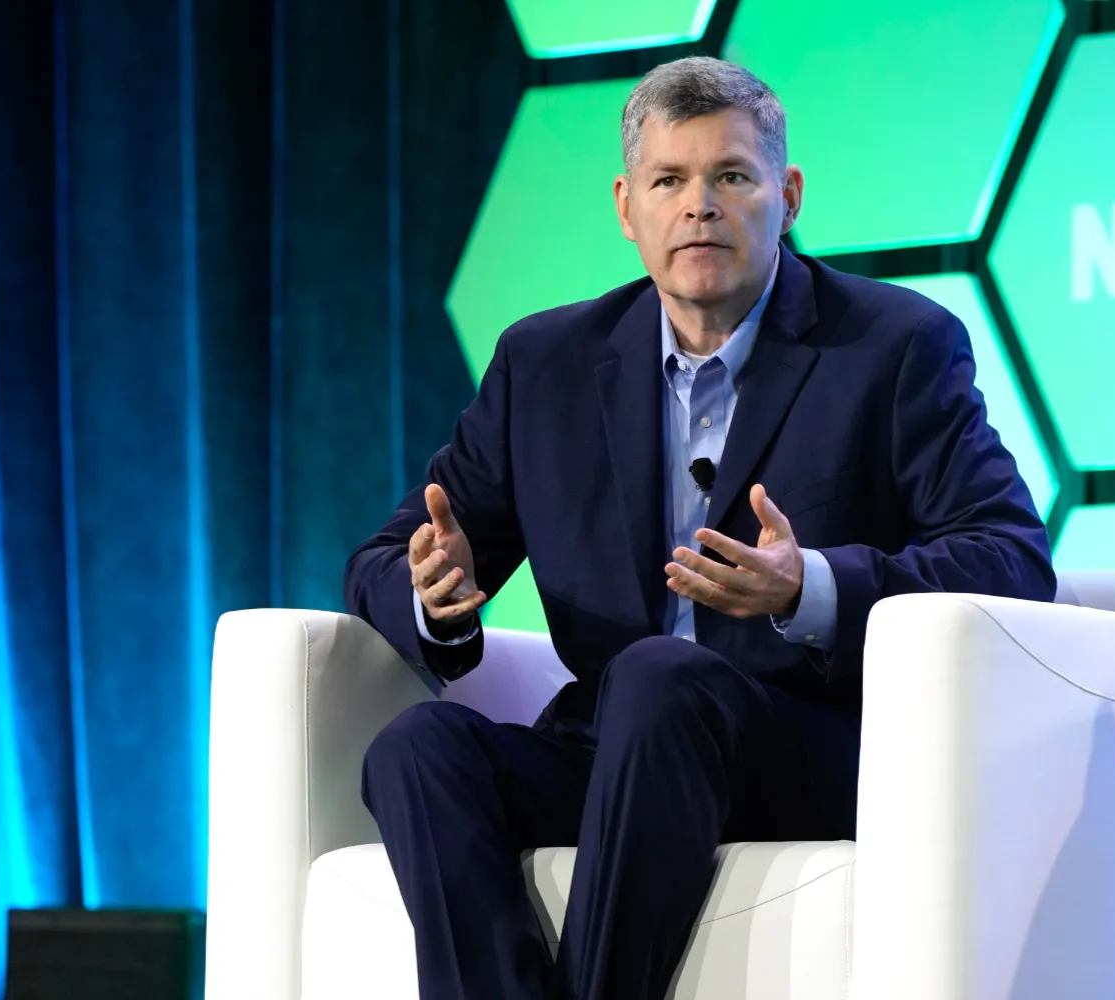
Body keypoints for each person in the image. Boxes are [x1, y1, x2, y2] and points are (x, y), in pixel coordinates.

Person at [343, 55, 1055, 1000]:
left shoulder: (892, 346)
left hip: (800, 747)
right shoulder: (545, 364)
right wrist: (434, 598)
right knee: (418, 748)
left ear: (787, 197)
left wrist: (812, 588)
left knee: (659, 675)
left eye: (731, 177)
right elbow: (385, 556)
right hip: (614, 748)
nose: (699, 207)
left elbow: (1011, 558)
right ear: (626, 206)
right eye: (669, 181)